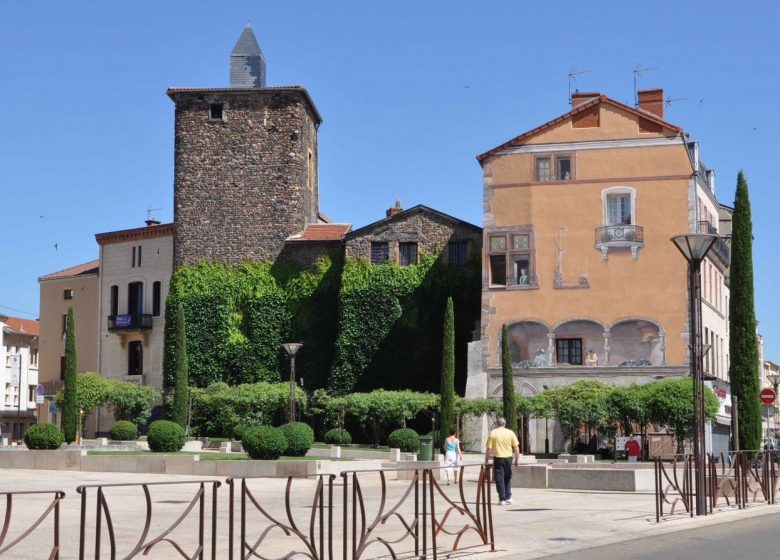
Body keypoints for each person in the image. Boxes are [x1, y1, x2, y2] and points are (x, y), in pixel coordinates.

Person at [485, 417, 520, 505]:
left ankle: (502, 498)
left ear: (497, 424)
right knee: (507, 477)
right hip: (508, 458)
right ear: (504, 424)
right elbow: (516, 447)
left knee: (499, 478)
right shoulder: (510, 432)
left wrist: (486, 459)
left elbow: (488, 448)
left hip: (498, 458)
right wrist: (517, 460)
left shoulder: (493, 433)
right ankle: (508, 497)